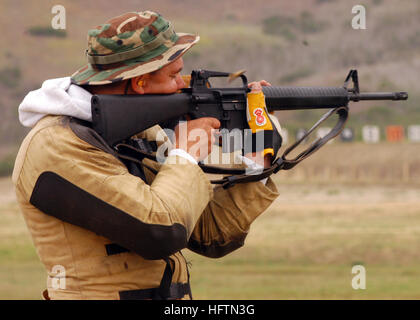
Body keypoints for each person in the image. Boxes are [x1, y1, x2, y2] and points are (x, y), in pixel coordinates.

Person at [12, 10, 280, 300]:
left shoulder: (137, 130)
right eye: (175, 75)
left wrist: (258, 155)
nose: (183, 84)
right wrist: (185, 156)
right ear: (140, 83)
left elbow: (210, 234)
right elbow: (161, 231)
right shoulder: (56, 144)